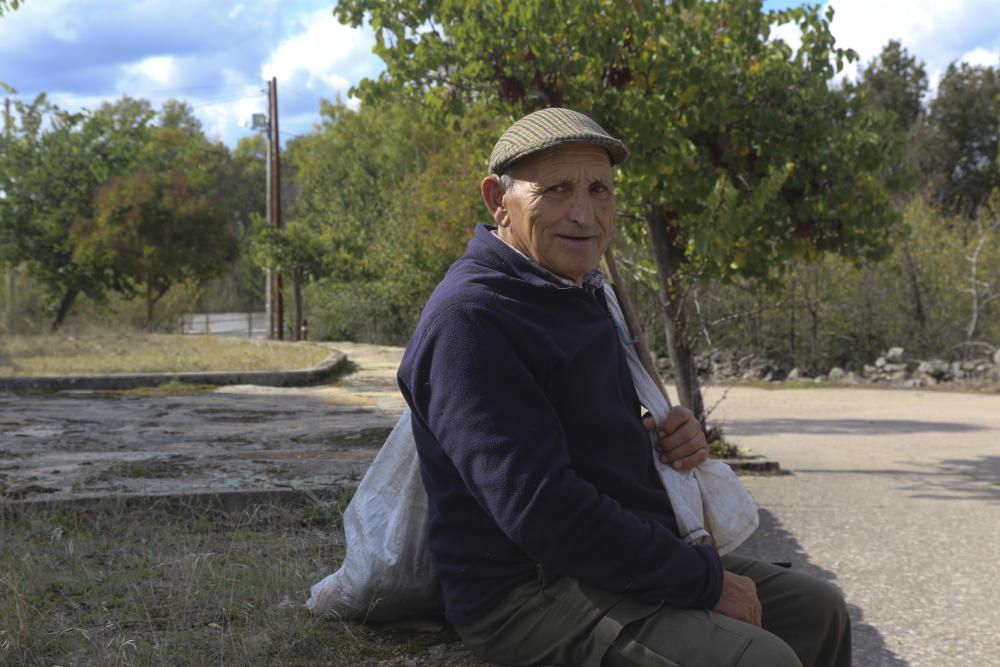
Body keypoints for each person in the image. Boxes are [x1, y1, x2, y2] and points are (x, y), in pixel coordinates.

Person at [397, 108, 850, 667]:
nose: (583, 214)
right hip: (528, 592)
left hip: (611, 559)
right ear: (498, 200)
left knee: (819, 609)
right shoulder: (472, 318)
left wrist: (660, 437)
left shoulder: (577, 290)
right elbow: (541, 510)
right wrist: (703, 582)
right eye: (557, 189)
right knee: (759, 660)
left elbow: (573, 428)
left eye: (599, 190)